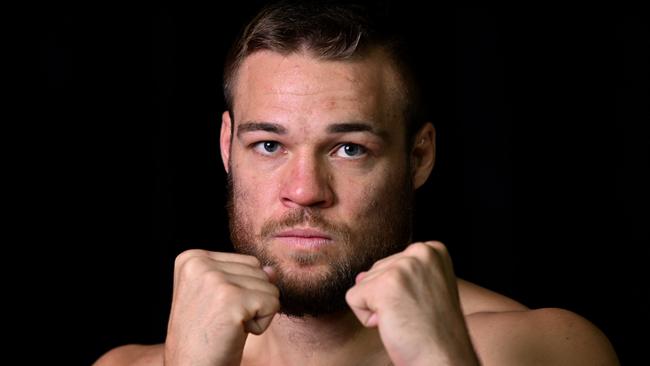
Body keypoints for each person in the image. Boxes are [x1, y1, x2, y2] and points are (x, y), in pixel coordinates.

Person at [96, 1, 619, 365]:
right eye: (269, 146)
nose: (304, 191)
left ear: (419, 156)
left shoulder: (546, 349)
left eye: (349, 149)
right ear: (226, 146)